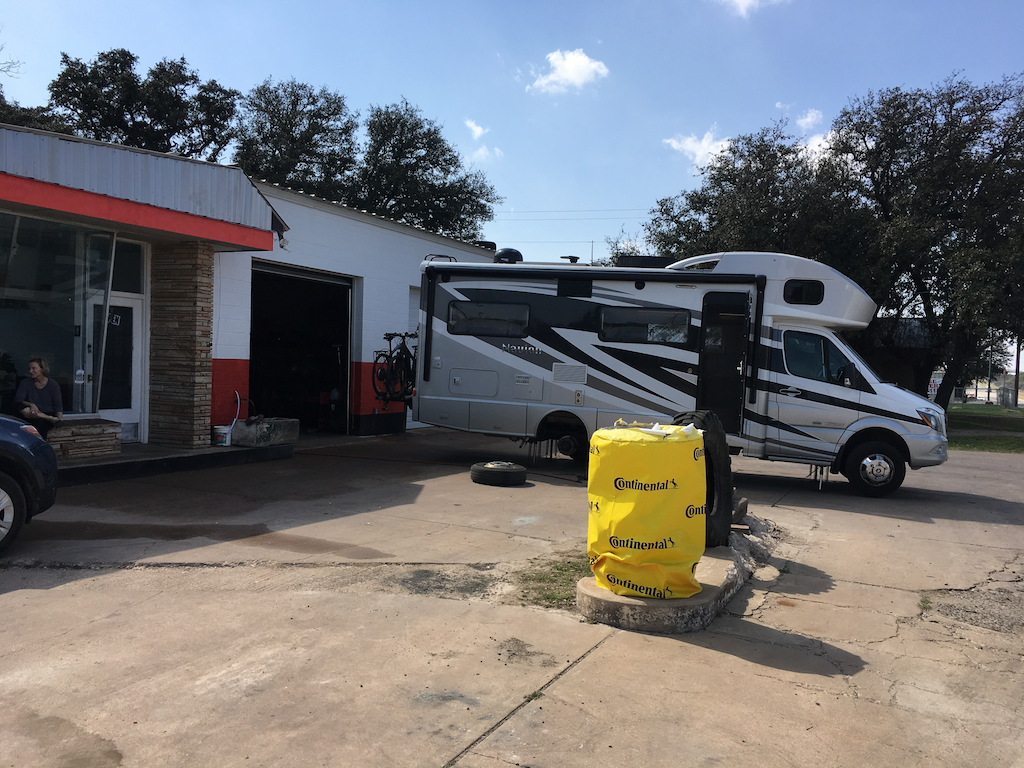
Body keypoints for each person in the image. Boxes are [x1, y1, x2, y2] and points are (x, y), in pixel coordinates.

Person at [15, 357, 63, 438]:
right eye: (29, 368)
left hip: (46, 412)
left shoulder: (53, 385)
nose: (30, 371)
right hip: (31, 412)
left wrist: (58, 419)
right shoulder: (25, 382)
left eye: (34, 368)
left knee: (40, 424)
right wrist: (31, 404)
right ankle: (46, 417)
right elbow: (19, 399)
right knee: (19, 406)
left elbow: (58, 404)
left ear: (42, 369)